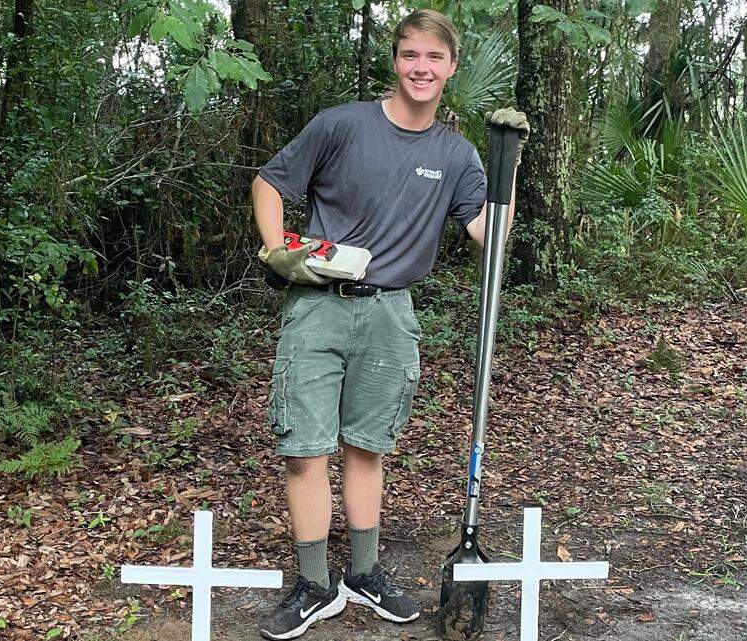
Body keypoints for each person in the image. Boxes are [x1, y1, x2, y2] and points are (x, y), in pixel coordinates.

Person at [250, 9, 528, 640]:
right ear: (395, 60)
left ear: (451, 68)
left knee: (368, 446)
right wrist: (276, 252)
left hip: (390, 312)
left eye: (434, 58)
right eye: (410, 56)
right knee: (303, 448)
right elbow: (270, 183)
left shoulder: (455, 154)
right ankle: (315, 583)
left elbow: (488, 235)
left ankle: (365, 572)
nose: (421, 68)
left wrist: (507, 172)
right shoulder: (341, 125)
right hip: (318, 302)